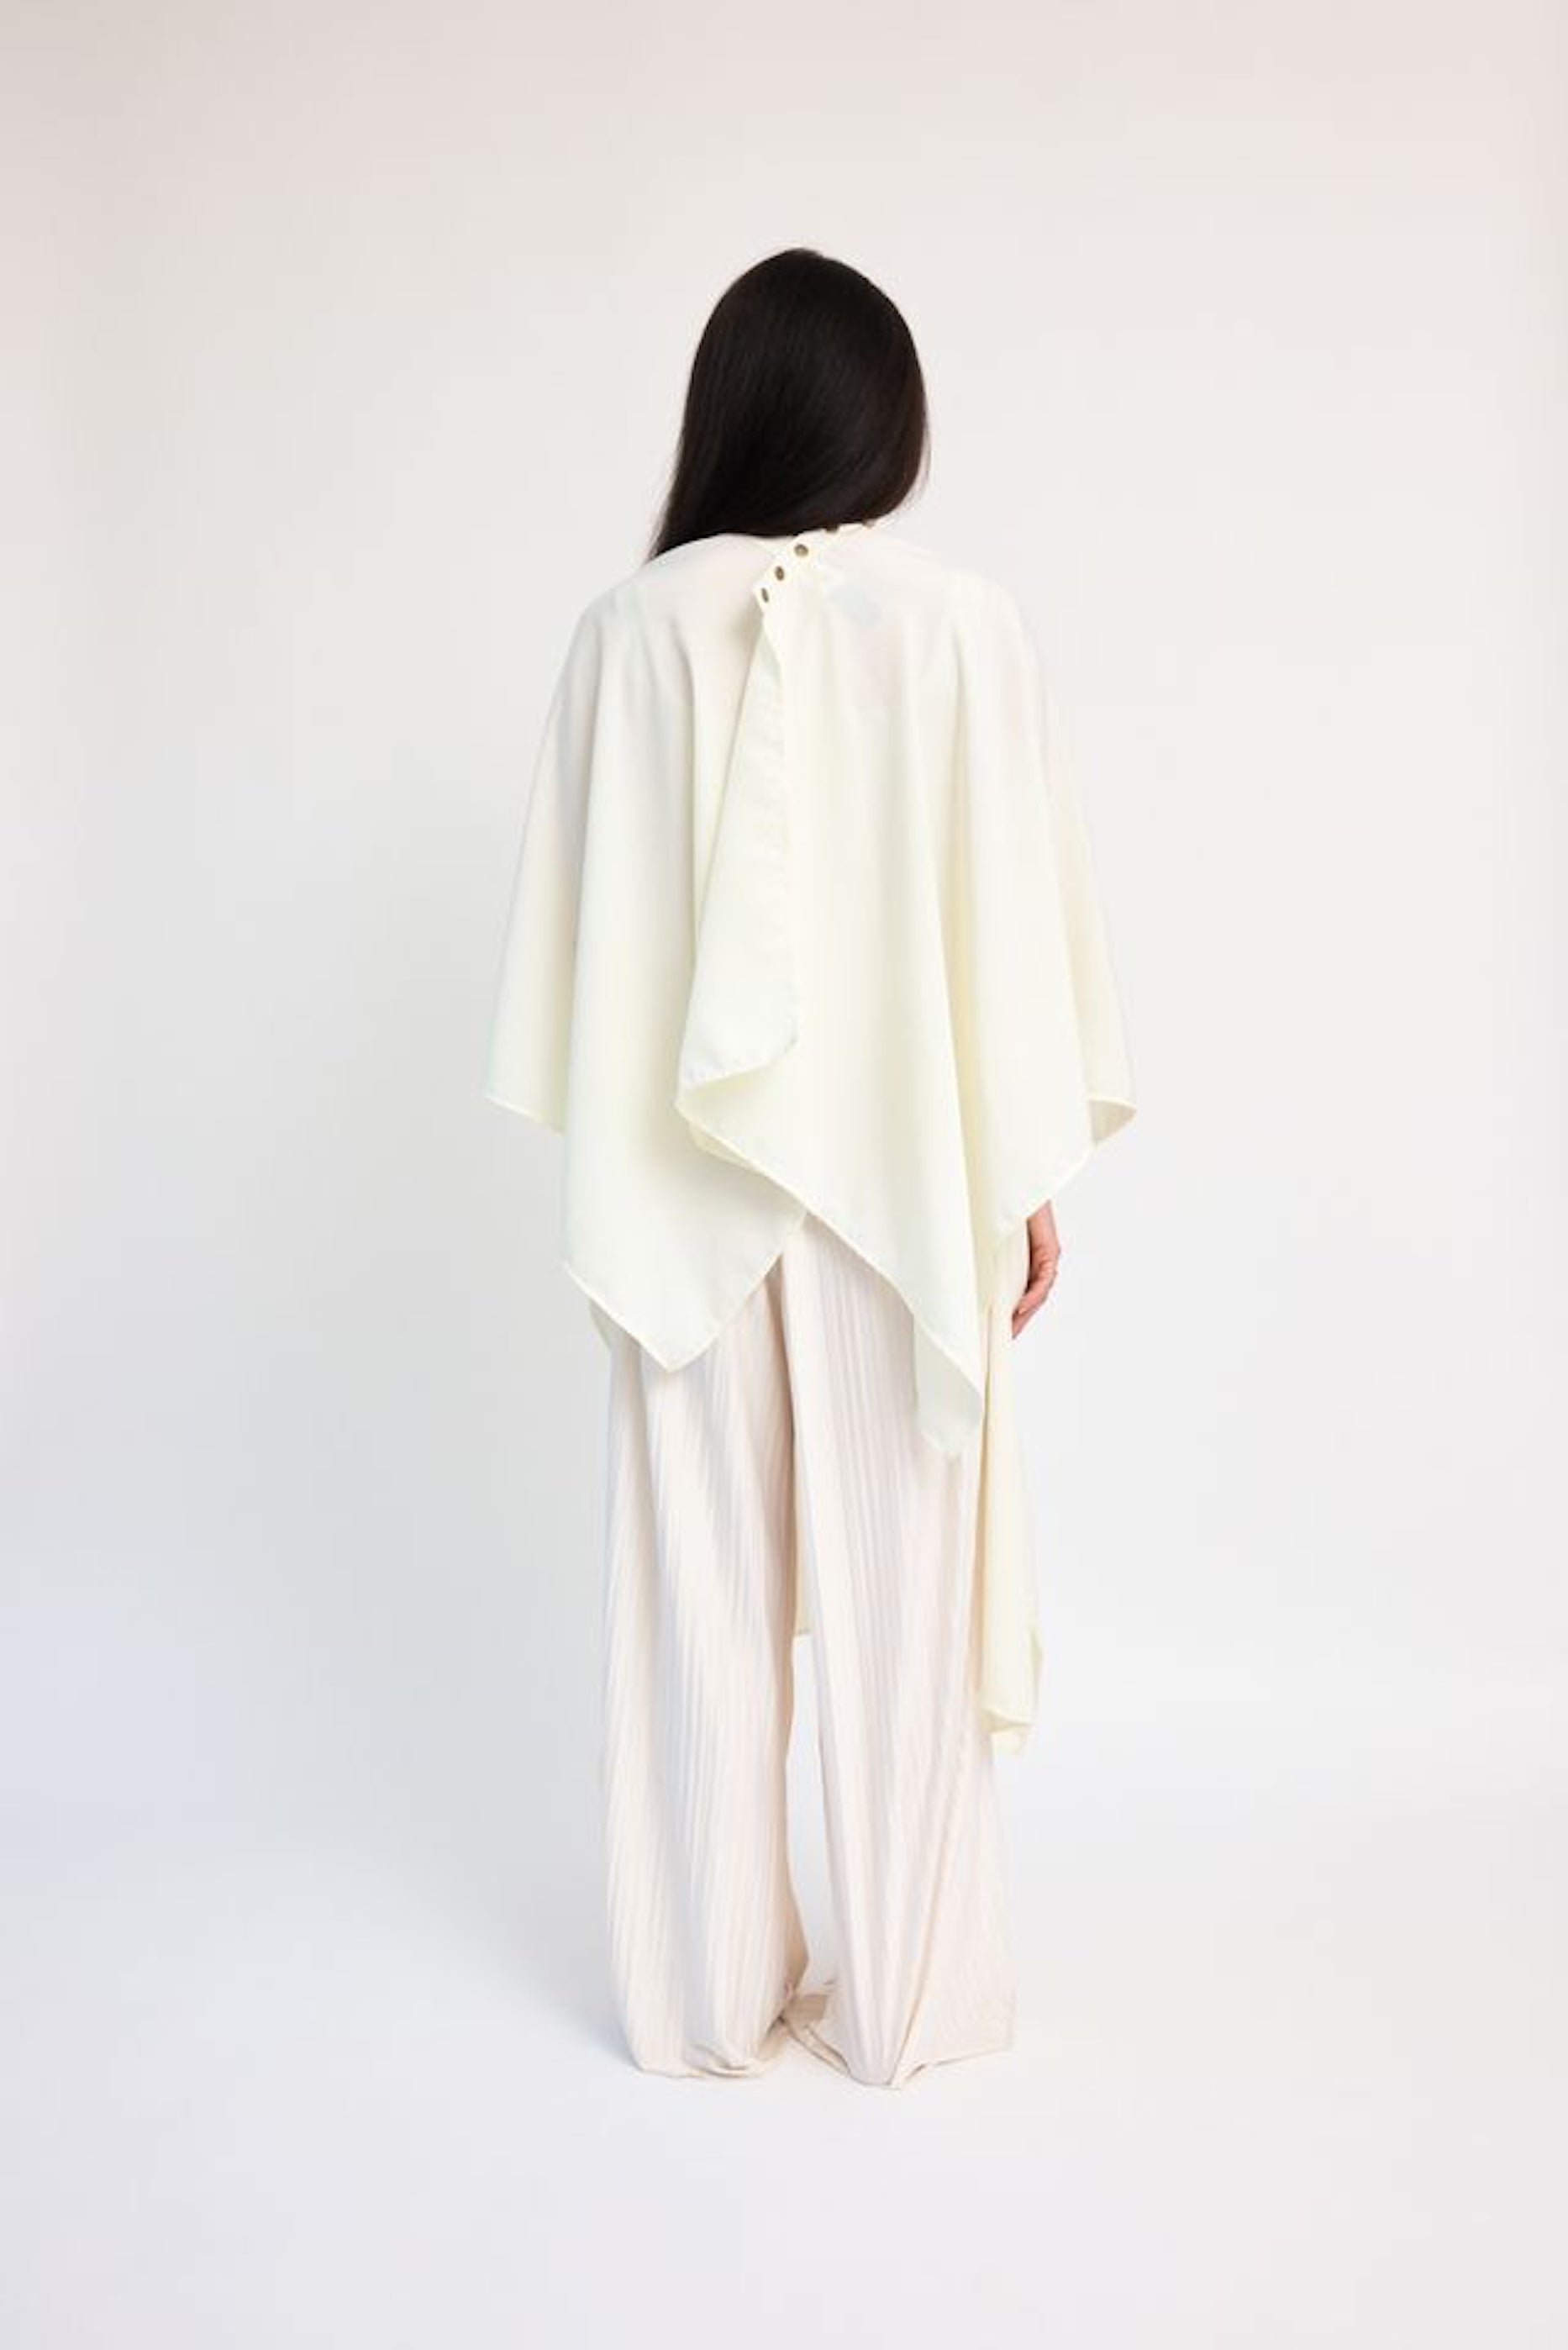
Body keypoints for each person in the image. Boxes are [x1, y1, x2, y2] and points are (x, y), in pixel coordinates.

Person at [485, 246, 1135, 2089]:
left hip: (676, 1198)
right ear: (884, 421)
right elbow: (1004, 929)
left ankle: (701, 2001)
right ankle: (911, 2009)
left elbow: (585, 957)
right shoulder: (958, 624)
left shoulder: (623, 634)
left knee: (696, 1610)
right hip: (902, 1194)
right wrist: (1016, 1177)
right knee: (907, 1600)